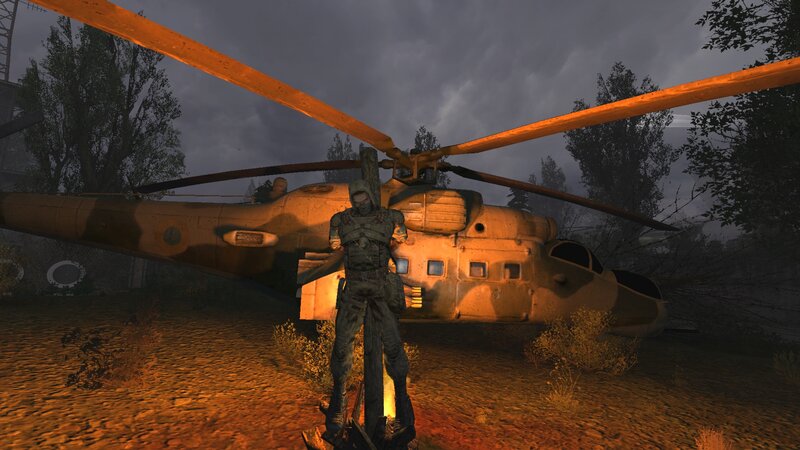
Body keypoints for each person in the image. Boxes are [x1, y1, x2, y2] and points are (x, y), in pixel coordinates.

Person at [325, 179, 414, 442]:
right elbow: (334, 244)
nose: (359, 200)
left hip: (380, 286)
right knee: (342, 345)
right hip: (354, 287)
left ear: (370, 196)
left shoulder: (391, 217)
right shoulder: (340, 220)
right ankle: (338, 404)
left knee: (393, 346)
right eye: (356, 196)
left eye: (363, 196)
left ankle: (403, 411)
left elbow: (401, 238)